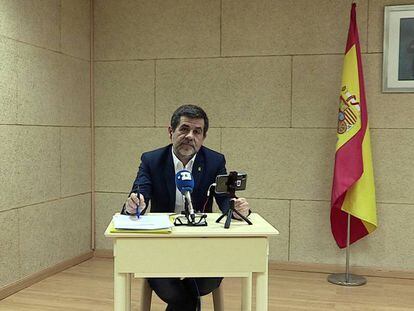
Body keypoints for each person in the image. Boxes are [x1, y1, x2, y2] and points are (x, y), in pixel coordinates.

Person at [121, 104, 250, 311]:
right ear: (171, 132)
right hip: (162, 247)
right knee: (174, 292)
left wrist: (237, 208)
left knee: (204, 283)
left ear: (203, 137)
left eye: (197, 131)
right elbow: (139, 195)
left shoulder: (215, 161)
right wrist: (134, 204)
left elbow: (225, 198)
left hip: (203, 245)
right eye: (184, 129)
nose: (190, 136)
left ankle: (186, 303)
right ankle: (189, 303)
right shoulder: (152, 160)